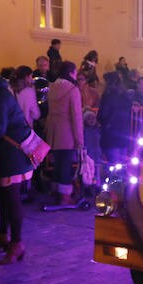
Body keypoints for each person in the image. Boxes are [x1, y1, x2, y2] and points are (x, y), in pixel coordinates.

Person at [0, 59, 33, 264]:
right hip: (8, 152)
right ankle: (3, 236)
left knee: (12, 199)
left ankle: (17, 243)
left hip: (13, 154)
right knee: (5, 197)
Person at [46, 61, 84, 206]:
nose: (76, 75)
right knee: (66, 165)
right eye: (75, 72)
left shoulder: (52, 87)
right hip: (67, 132)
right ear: (70, 73)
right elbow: (76, 116)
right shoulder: (72, 90)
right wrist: (79, 138)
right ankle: (65, 197)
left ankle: (55, 191)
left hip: (53, 131)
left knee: (57, 163)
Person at [97, 71, 133, 166]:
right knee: (122, 165)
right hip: (124, 134)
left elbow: (102, 115)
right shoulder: (126, 97)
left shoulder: (108, 96)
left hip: (111, 135)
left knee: (112, 164)